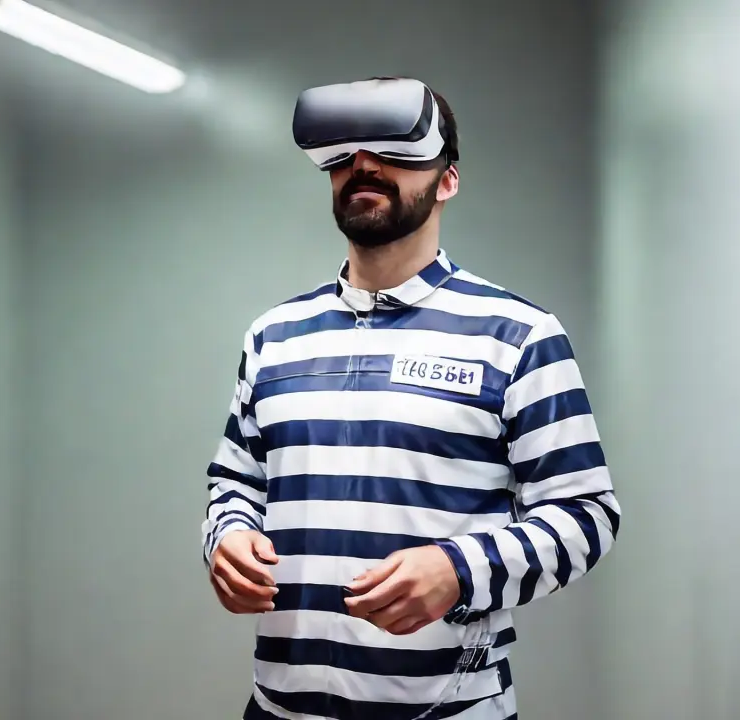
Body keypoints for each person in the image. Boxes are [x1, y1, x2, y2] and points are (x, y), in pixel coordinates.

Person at [201, 77, 620, 720]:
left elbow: (586, 513)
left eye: (394, 150)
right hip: (280, 707)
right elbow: (236, 481)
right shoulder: (273, 337)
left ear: (446, 180)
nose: (364, 165)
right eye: (345, 154)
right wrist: (227, 536)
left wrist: (459, 570)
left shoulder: (518, 336)